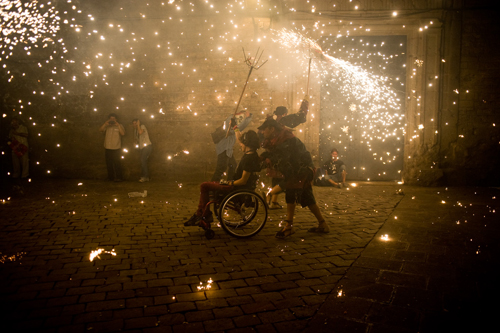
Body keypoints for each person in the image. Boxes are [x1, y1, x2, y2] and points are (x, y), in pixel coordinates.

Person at [258, 118, 329, 238]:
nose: (263, 132)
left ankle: (289, 227)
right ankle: (323, 224)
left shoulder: (286, 140)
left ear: (272, 129)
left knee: (291, 194)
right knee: (307, 197)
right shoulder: (278, 138)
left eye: (264, 130)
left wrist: (264, 161)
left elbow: (282, 157)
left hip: (301, 169)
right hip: (298, 169)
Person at [185, 129, 261, 226]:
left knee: (204, 186)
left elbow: (243, 181)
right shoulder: (251, 154)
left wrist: (230, 183)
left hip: (235, 187)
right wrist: (236, 128)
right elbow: (239, 139)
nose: (240, 144)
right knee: (207, 187)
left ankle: (204, 215)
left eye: (242, 143)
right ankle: (201, 214)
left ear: (247, 143)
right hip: (234, 185)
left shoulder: (249, 160)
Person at [265, 99, 309, 209]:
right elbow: (300, 117)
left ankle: (274, 202)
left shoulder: (270, 121)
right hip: (284, 154)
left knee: (277, 177)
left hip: (273, 154)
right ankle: (270, 195)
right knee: (288, 178)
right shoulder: (284, 120)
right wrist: (305, 104)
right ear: (284, 114)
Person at [211, 110, 252, 182]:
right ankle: (212, 188)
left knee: (233, 166)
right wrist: (248, 118)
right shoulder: (230, 120)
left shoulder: (233, 120)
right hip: (224, 148)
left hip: (228, 149)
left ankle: (230, 184)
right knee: (221, 169)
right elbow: (236, 129)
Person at [99, 113, 125, 181]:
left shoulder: (120, 125)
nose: (112, 120)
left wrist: (118, 125)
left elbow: (123, 133)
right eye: (111, 119)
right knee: (109, 163)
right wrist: (105, 124)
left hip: (116, 147)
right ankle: (110, 177)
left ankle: (119, 177)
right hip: (108, 147)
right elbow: (101, 130)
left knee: (117, 163)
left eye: (113, 119)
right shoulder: (107, 126)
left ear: (116, 119)